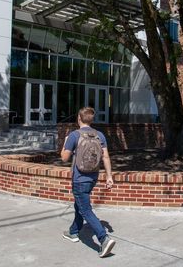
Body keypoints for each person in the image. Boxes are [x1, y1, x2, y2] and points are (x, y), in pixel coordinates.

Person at [61, 106, 116, 258]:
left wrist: (64, 143)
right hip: (93, 177)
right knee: (79, 204)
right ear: (91, 120)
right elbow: (105, 157)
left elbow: (64, 158)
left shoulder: (74, 135)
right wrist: (109, 176)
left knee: (85, 209)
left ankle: (104, 239)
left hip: (79, 179)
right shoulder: (100, 135)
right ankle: (73, 232)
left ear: (79, 118)